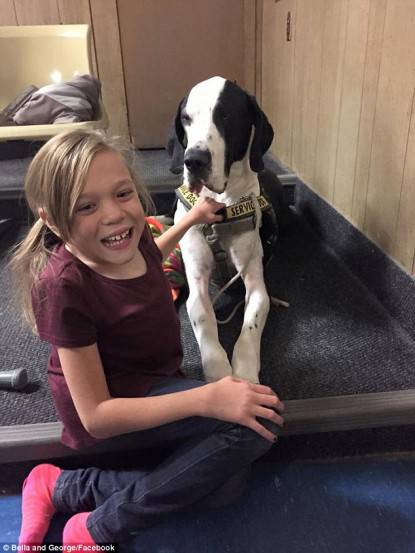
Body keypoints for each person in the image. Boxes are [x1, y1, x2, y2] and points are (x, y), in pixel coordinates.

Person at [10, 130, 284, 547]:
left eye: (123, 194)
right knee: (255, 424)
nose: (114, 215)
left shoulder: (131, 237)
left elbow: (151, 256)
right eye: (86, 206)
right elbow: (96, 416)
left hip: (154, 378)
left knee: (224, 486)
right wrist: (205, 398)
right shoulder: (63, 286)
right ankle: (97, 527)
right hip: (115, 405)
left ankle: (61, 488)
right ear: (52, 220)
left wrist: (191, 219)